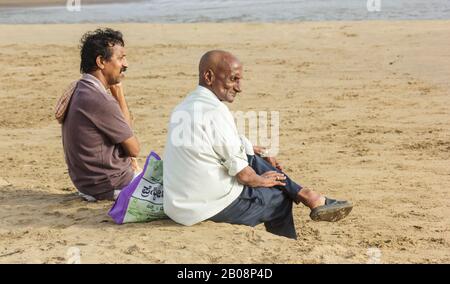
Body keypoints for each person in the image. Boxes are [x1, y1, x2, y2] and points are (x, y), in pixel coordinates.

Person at [163, 50, 353, 239]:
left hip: (177, 205)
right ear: (209, 76)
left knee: (251, 155)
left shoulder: (184, 107)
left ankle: (308, 195)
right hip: (204, 207)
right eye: (233, 79)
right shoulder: (215, 111)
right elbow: (245, 176)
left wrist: (248, 151)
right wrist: (264, 181)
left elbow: (212, 144)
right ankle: (288, 244)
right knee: (279, 198)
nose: (239, 88)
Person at [58, 28, 140, 201]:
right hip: (110, 185)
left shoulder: (80, 89)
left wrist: (117, 92)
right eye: (120, 58)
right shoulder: (99, 100)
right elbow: (134, 149)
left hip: (87, 184)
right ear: (101, 61)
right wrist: (118, 97)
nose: (126, 64)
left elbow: (124, 134)